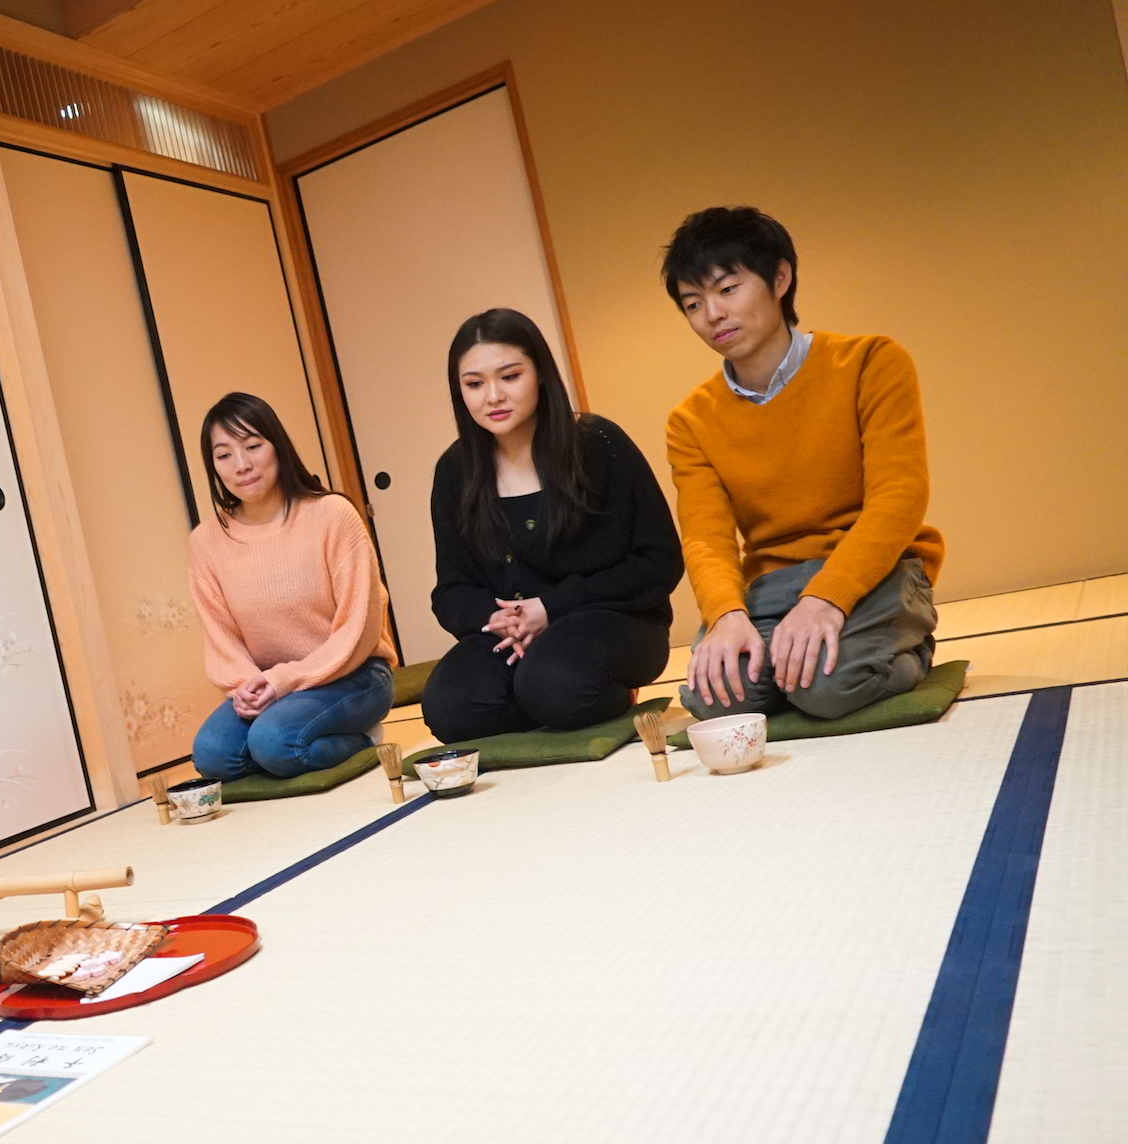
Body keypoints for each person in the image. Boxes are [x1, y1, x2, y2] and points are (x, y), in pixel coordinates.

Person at [662, 206, 942, 720]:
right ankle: (799, 662)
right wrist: (725, 615)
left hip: (877, 573)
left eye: (728, 289)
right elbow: (706, 537)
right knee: (717, 699)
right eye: (693, 302)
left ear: (780, 277)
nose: (713, 315)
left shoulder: (871, 362)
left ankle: (911, 647)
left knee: (827, 688)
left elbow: (900, 498)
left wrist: (826, 601)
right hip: (770, 589)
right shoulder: (690, 420)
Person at [421, 309, 683, 742]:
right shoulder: (455, 470)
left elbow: (658, 561)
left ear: (540, 373)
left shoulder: (598, 445)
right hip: (514, 634)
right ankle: (550, 701)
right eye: (474, 384)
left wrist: (552, 607)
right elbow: (451, 590)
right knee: (450, 707)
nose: (492, 397)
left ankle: (572, 694)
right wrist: (496, 617)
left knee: (554, 682)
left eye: (509, 376)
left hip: (616, 619)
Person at [187, 392, 396, 780]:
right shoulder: (206, 542)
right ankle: (293, 741)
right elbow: (221, 638)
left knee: (275, 743)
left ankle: (364, 740)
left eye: (252, 446)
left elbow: (359, 628)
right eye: (224, 455)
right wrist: (246, 685)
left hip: (353, 674)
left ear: (278, 446)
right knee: (212, 756)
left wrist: (283, 680)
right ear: (213, 466)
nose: (242, 465)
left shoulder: (332, 515)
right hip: (267, 686)